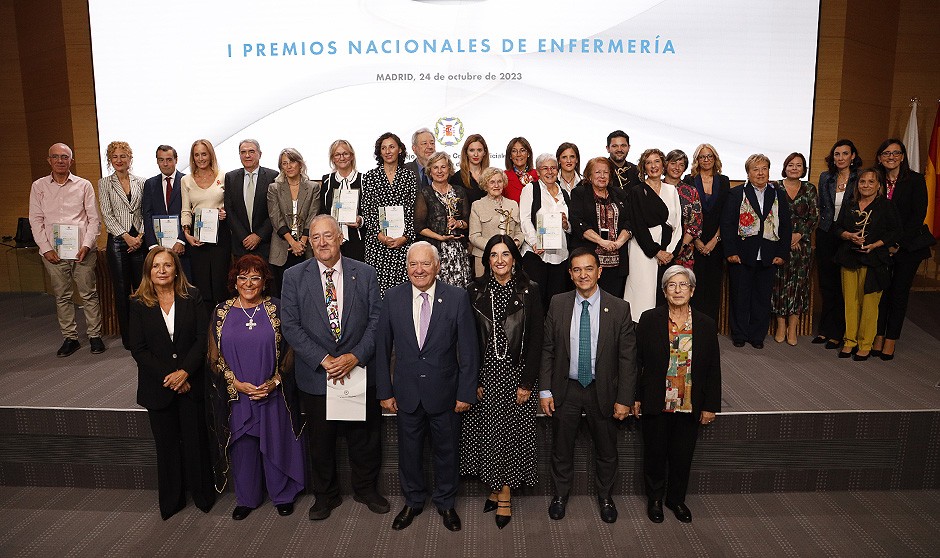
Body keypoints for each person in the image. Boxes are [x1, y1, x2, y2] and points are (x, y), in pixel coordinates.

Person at [281, 215, 389, 520]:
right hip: (317, 374)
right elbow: (290, 325)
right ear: (309, 242)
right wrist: (322, 359)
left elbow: (376, 321)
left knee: (363, 437)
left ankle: (366, 489)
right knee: (321, 440)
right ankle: (325, 495)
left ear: (340, 237)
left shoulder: (365, 273)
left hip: (357, 369)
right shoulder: (294, 276)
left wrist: (355, 356)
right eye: (315, 238)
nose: (322, 243)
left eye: (328, 236)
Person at [375, 242, 479, 532]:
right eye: (413, 264)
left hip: (446, 393)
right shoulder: (392, 298)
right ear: (406, 268)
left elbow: (469, 350)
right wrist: (384, 391)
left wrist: (465, 392)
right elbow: (382, 349)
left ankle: (446, 504)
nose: (419, 270)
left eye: (425, 264)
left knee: (447, 452)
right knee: (409, 453)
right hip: (406, 394)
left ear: (437, 267)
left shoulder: (457, 298)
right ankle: (413, 501)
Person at [540, 247, 637, 524]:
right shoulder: (557, 303)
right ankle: (560, 495)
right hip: (566, 388)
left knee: (607, 449)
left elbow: (627, 358)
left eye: (589, 268)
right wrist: (545, 390)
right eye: (577, 270)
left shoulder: (619, 308)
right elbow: (547, 350)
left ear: (600, 271)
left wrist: (624, 398)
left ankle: (606, 496)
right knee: (561, 447)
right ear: (570, 274)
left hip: (602, 388)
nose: (583, 275)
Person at [207, 254, 306, 520]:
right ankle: (247, 498)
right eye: (243, 277)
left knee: (276, 440)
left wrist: (275, 382)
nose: (248, 283)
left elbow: (292, 350)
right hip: (237, 394)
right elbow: (213, 358)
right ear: (234, 281)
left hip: (272, 391)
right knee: (243, 446)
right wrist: (235, 383)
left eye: (255, 278)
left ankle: (282, 493)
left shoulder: (278, 308)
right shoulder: (221, 312)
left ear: (264, 282)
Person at [462, 235, 543, 529]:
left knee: (511, 435)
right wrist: (473, 379)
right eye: (493, 255)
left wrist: (527, 382)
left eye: (505, 254)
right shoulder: (473, 291)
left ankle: (505, 495)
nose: (499, 260)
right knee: (490, 434)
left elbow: (536, 340)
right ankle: (496, 488)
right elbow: (468, 340)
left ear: (514, 259)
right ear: (486, 260)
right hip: (486, 375)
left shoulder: (529, 290)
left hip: (516, 374)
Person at [128, 247, 215, 520]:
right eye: (156, 266)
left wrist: (185, 373)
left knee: (195, 442)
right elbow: (138, 349)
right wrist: (173, 377)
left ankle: (202, 495)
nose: (162, 270)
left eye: (167, 265)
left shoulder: (193, 296)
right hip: (159, 386)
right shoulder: (138, 303)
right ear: (148, 272)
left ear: (176, 269)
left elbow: (203, 339)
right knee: (166, 446)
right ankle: (171, 500)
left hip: (191, 383)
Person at [632, 265, 721, 524]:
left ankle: (676, 499)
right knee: (655, 454)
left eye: (683, 285)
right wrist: (636, 396)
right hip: (656, 400)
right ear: (664, 291)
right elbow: (637, 362)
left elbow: (713, 367)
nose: (678, 290)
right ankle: (656, 499)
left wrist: (710, 405)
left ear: (692, 290)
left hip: (689, 401)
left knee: (682, 456)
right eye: (672, 285)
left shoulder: (705, 324)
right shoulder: (649, 319)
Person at [28, 143, 105, 357]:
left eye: (65, 157)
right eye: (56, 157)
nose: (60, 161)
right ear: (49, 160)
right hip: (53, 252)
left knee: (88, 293)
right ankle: (70, 338)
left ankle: (94, 336)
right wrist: (45, 249)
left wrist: (87, 245)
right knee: (62, 295)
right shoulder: (39, 186)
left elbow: (93, 219)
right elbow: (36, 220)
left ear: (71, 161)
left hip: (83, 250)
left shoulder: (84, 185)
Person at [721, 154, 792, 349]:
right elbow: (727, 225)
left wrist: (782, 253)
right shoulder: (736, 194)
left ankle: (757, 335)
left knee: (761, 297)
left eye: (764, 169)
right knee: (740, 296)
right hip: (742, 254)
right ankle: (739, 334)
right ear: (748, 173)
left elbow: (786, 226)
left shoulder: (777, 194)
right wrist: (730, 252)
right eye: (755, 169)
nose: (760, 173)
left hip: (769, 254)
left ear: (769, 171)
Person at [872, 139, 934, 360]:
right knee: (882, 293)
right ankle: (878, 335)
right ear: (879, 157)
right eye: (886, 153)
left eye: (896, 153)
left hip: (907, 248)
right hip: (880, 247)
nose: (891, 157)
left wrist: (896, 244)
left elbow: (917, 217)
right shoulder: (875, 180)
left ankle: (891, 339)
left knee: (898, 293)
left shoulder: (915, 180)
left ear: (903, 156)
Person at [832, 168, 900, 360]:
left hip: (874, 260)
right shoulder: (850, 204)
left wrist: (876, 244)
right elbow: (837, 228)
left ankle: (865, 344)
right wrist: (848, 236)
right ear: (857, 184)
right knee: (850, 303)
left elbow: (895, 232)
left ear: (879, 185)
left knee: (870, 304)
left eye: (871, 182)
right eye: (863, 182)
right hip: (849, 257)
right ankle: (850, 341)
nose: (866, 186)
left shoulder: (886, 206)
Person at [97, 140, 146, 350]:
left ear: (130, 158)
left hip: (140, 241)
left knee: (143, 290)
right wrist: (127, 237)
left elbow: (146, 211)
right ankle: (128, 338)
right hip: (118, 243)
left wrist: (140, 236)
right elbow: (107, 215)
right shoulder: (104, 183)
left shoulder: (141, 182)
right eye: (115, 157)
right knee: (122, 290)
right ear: (110, 159)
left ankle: (144, 334)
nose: (119, 160)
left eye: (123, 156)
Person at [624, 148, 682, 319]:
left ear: (663, 165)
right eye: (648, 162)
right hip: (643, 249)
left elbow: (678, 225)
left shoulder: (672, 190)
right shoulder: (637, 191)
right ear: (643, 167)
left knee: (663, 293)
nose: (653, 166)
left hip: (668, 249)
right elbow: (638, 225)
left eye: (657, 161)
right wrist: (656, 251)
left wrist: (670, 252)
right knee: (642, 293)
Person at [814, 139, 861, 349]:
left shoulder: (860, 178)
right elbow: (823, 208)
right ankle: (825, 330)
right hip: (826, 234)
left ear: (852, 156)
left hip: (848, 235)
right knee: (827, 284)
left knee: (844, 286)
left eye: (844, 154)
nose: (840, 158)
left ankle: (839, 332)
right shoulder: (826, 177)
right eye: (837, 154)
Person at [361, 132, 417, 297]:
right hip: (378, 244)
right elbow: (367, 209)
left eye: (391, 147)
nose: (387, 151)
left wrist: (405, 237)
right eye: (383, 148)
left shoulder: (409, 176)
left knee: (402, 295)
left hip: (403, 244)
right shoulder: (370, 177)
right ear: (379, 152)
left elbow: (413, 210)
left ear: (399, 149)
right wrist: (380, 236)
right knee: (377, 295)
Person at [771, 153, 818, 346]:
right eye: (791, 165)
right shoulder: (775, 187)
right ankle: (780, 325)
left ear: (803, 169)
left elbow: (814, 216)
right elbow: (770, 215)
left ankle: (793, 327)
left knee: (799, 285)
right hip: (779, 242)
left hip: (802, 246)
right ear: (785, 167)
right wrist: (787, 237)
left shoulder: (809, 188)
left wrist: (799, 234)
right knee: (779, 284)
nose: (794, 168)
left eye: (799, 165)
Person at [569, 157, 632, 297]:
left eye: (606, 172)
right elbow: (578, 222)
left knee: (613, 304)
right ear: (589, 175)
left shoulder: (620, 194)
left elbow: (629, 221)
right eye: (597, 172)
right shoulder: (579, 193)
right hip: (588, 262)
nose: (602, 176)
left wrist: (619, 242)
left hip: (617, 263)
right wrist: (601, 241)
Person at [180, 139, 230, 313]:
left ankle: (223, 326)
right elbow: (186, 209)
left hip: (220, 235)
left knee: (220, 283)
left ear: (210, 155)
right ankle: (206, 329)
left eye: (204, 153)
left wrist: (226, 213)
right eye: (196, 155)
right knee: (202, 286)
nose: (200, 158)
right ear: (192, 158)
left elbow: (230, 206)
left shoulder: (223, 176)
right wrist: (187, 234)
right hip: (197, 235)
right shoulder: (186, 180)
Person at [520, 153, 572, 309]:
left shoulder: (565, 193)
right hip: (537, 255)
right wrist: (535, 243)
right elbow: (525, 219)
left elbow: (571, 227)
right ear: (537, 171)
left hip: (560, 256)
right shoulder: (531, 189)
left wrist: (565, 224)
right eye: (545, 168)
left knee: (556, 304)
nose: (550, 172)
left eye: (553, 168)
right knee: (535, 304)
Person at [267, 147, 320, 296]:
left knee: (307, 293)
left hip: (306, 248)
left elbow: (313, 216)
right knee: (283, 293)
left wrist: (301, 243)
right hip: (282, 248)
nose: (289, 166)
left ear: (300, 164)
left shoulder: (313, 187)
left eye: (292, 162)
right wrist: (293, 243)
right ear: (281, 167)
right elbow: (275, 217)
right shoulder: (274, 188)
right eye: (284, 163)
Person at [686, 143, 730, 322]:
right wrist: (696, 240)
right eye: (702, 157)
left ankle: (710, 326)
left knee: (713, 286)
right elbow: (686, 213)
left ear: (715, 159)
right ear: (697, 160)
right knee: (694, 284)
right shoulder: (689, 180)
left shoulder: (724, 180)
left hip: (716, 241)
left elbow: (726, 214)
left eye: (709, 156)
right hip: (693, 241)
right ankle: (695, 325)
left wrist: (715, 239)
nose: (706, 160)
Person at [414, 151, 471, 288]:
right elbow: (419, 226)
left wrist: (459, 223)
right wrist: (440, 237)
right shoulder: (425, 193)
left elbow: (467, 221)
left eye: (443, 167)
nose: (440, 171)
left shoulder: (459, 191)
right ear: (430, 171)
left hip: (458, 253)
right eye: (435, 167)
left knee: (459, 292)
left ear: (449, 169)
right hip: (435, 252)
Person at [224, 139, 278, 260]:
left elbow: (275, 211)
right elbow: (230, 210)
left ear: (260, 154)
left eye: (251, 151)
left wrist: (259, 235)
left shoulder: (273, 176)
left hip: (265, 244)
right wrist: (244, 237)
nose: (247, 155)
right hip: (240, 244)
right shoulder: (230, 178)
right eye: (243, 152)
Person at [142, 145, 190, 278]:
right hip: (158, 246)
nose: (165, 164)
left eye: (169, 159)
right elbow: (147, 214)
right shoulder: (150, 184)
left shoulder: (187, 181)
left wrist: (181, 240)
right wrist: (152, 245)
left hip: (183, 247)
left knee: (184, 285)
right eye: (161, 160)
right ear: (157, 161)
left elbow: (190, 212)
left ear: (176, 160)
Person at [468, 167, 524, 278]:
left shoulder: (513, 204)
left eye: (499, 181)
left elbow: (519, 231)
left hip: (509, 258)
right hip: (484, 258)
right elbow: (474, 236)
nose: (496, 185)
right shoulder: (477, 205)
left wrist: (516, 243)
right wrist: (494, 248)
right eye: (492, 182)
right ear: (485, 185)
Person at [319, 139, 365, 262]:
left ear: (351, 156)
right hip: (331, 241)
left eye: (345, 153)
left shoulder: (364, 180)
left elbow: (371, 210)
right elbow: (322, 210)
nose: (342, 157)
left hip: (357, 240)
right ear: (332, 158)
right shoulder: (327, 181)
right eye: (337, 154)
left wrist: (360, 220)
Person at [663, 150, 702, 269]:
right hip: (657, 252)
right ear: (666, 164)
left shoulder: (691, 192)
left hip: (684, 253)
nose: (677, 168)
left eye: (681, 165)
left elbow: (696, 224)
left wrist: (679, 247)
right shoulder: (655, 188)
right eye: (673, 163)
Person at [450, 133, 490, 205]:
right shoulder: (457, 178)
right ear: (466, 153)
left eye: (479, 150)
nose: (476, 154)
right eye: (472, 150)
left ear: (484, 152)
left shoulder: (491, 176)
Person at [503, 137, 538, 203]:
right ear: (510, 156)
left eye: (522, 150)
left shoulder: (537, 174)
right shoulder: (503, 176)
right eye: (514, 151)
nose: (518, 154)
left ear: (528, 154)